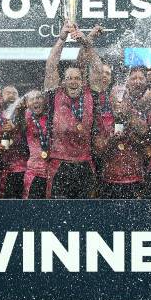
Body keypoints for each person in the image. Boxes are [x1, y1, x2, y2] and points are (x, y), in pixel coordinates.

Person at [43, 22, 99, 199]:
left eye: (77, 78)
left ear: (83, 81)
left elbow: (97, 67)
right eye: (69, 78)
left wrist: (86, 43)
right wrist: (61, 39)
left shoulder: (91, 93)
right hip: (60, 164)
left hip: (85, 163)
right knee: (57, 211)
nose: (73, 81)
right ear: (63, 81)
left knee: (86, 211)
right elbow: (51, 64)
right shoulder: (55, 94)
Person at [94, 85, 147, 198]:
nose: (120, 102)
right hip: (109, 179)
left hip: (134, 178)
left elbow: (146, 141)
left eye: (123, 98)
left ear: (129, 101)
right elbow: (98, 150)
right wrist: (111, 140)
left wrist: (129, 121)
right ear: (110, 100)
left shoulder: (137, 116)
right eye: (116, 98)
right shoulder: (103, 118)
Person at [21, 90, 51, 199]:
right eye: (32, 99)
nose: (36, 101)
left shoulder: (52, 117)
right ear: (27, 104)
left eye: (39, 97)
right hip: (34, 173)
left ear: (44, 100)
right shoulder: (25, 118)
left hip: (52, 172)